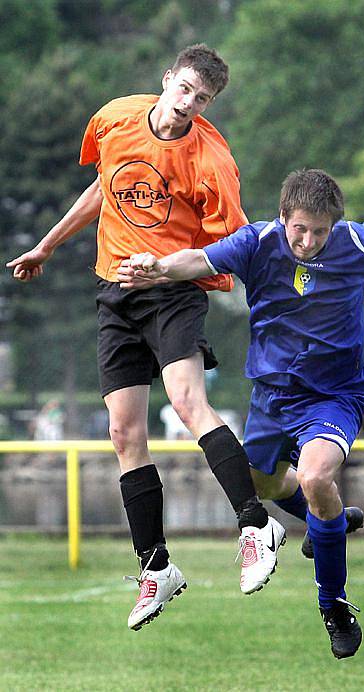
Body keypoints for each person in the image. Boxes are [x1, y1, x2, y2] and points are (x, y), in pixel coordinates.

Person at [6, 43, 285, 631]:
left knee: (188, 403)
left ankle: (257, 525)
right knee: (122, 431)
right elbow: (106, 187)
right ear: (167, 79)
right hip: (114, 292)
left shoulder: (211, 160)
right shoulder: (115, 118)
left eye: (202, 98)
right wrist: (48, 246)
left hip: (172, 292)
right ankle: (156, 567)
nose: (188, 104)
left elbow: (226, 249)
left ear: (210, 104)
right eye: (184, 89)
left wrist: (162, 266)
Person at [118, 168, 364, 659]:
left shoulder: (359, 242)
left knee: (317, 478)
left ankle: (334, 604)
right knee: (262, 484)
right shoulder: (257, 242)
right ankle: (329, 524)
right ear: (283, 217)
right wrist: (158, 268)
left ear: (335, 226)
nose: (309, 240)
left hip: (334, 394)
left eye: (320, 231)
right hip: (271, 396)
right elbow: (199, 258)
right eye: (300, 228)